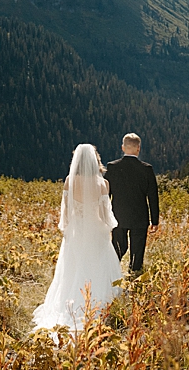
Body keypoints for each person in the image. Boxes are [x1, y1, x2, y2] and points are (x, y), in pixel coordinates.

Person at [32, 144, 122, 330]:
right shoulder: (102, 184)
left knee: (73, 267)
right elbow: (105, 214)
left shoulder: (69, 181)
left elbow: (66, 211)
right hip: (96, 231)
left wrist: (67, 229)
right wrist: (109, 228)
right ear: (95, 160)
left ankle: (71, 303)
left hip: (77, 230)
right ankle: (99, 304)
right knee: (98, 265)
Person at [104, 133, 159, 273]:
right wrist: (155, 220)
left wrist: (105, 215)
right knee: (137, 251)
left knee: (117, 248)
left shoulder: (112, 167)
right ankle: (134, 277)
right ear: (138, 148)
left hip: (118, 215)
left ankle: (111, 274)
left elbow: (105, 195)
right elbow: (153, 196)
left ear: (123, 147)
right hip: (140, 217)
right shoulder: (147, 169)